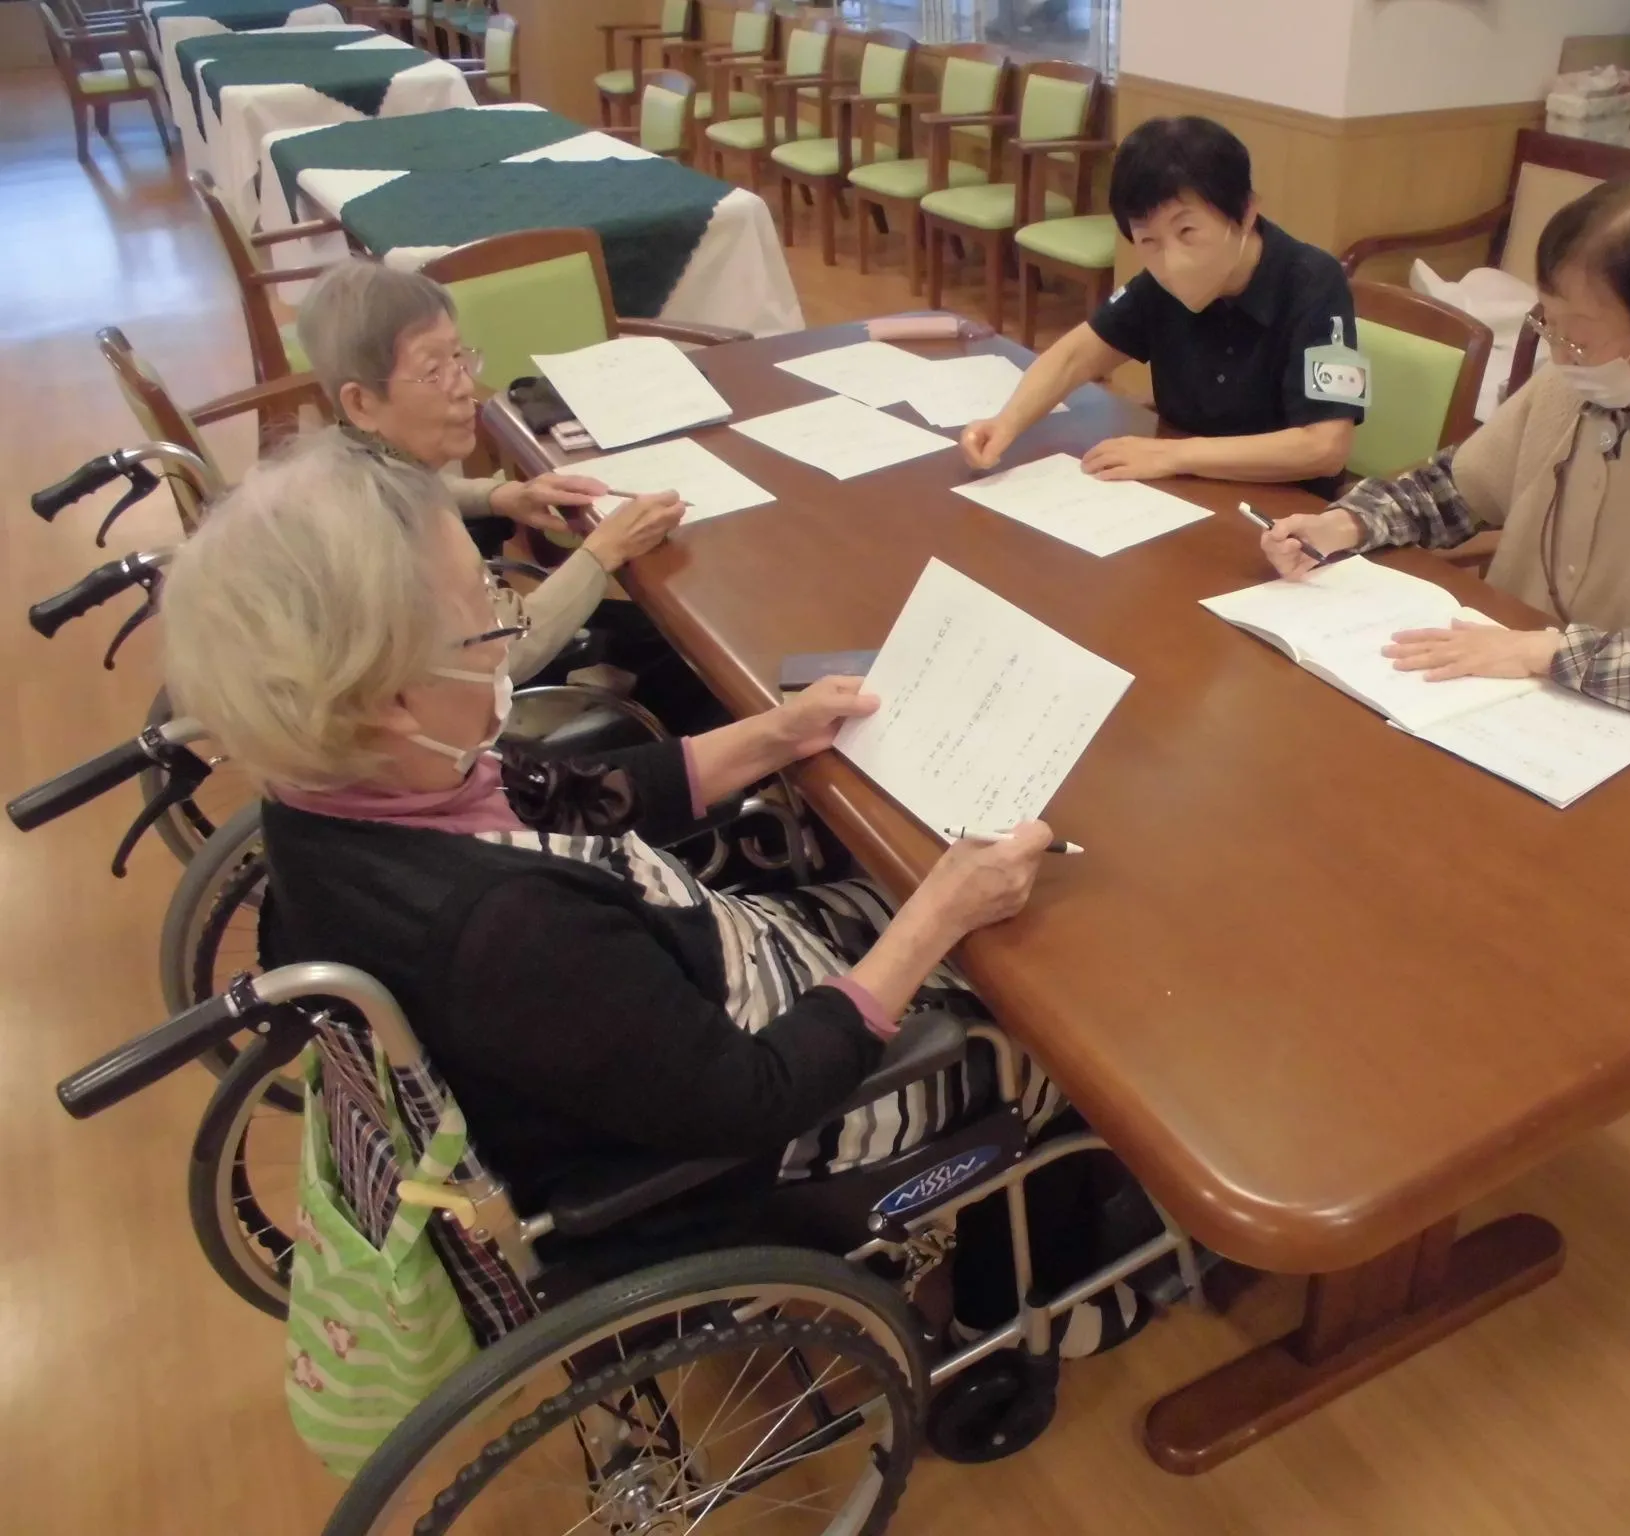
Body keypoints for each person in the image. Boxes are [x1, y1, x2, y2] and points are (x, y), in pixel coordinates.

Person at [159, 435, 1146, 1351]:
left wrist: (774, 734)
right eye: (486, 621)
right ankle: (1032, 1308)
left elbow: (578, 794)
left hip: (680, 993)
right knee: (1055, 1026)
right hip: (746, 1122)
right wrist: (939, 911)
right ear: (387, 696)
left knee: (899, 894)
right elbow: (753, 1099)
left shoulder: (344, 792)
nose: (509, 637)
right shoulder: (506, 931)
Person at [1261, 176, 1630, 730]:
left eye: (1581, 339)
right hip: (1498, 696)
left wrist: (1544, 652)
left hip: (1625, 734)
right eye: (1549, 324)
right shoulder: (1572, 384)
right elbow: (1452, 490)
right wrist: (1345, 525)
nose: (1561, 357)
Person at [293, 260, 712, 725]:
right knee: (693, 661)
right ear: (361, 402)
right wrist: (605, 550)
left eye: (458, 357)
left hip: (454, 664)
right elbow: (505, 656)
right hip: (466, 723)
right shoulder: (386, 537)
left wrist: (502, 496)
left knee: (658, 636)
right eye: (433, 370)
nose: (463, 386)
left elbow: (426, 484)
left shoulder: (353, 456)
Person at [960, 115, 1364, 495]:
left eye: (1186, 231)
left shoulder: (1314, 282)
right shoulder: (1158, 287)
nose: (1170, 263)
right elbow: (1076, 356)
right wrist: (1006, 423)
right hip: (1185, 488)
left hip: (1286, 511)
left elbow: (1325, 447)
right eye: (1148, 241)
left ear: (1244, 212)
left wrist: (1174, 455)